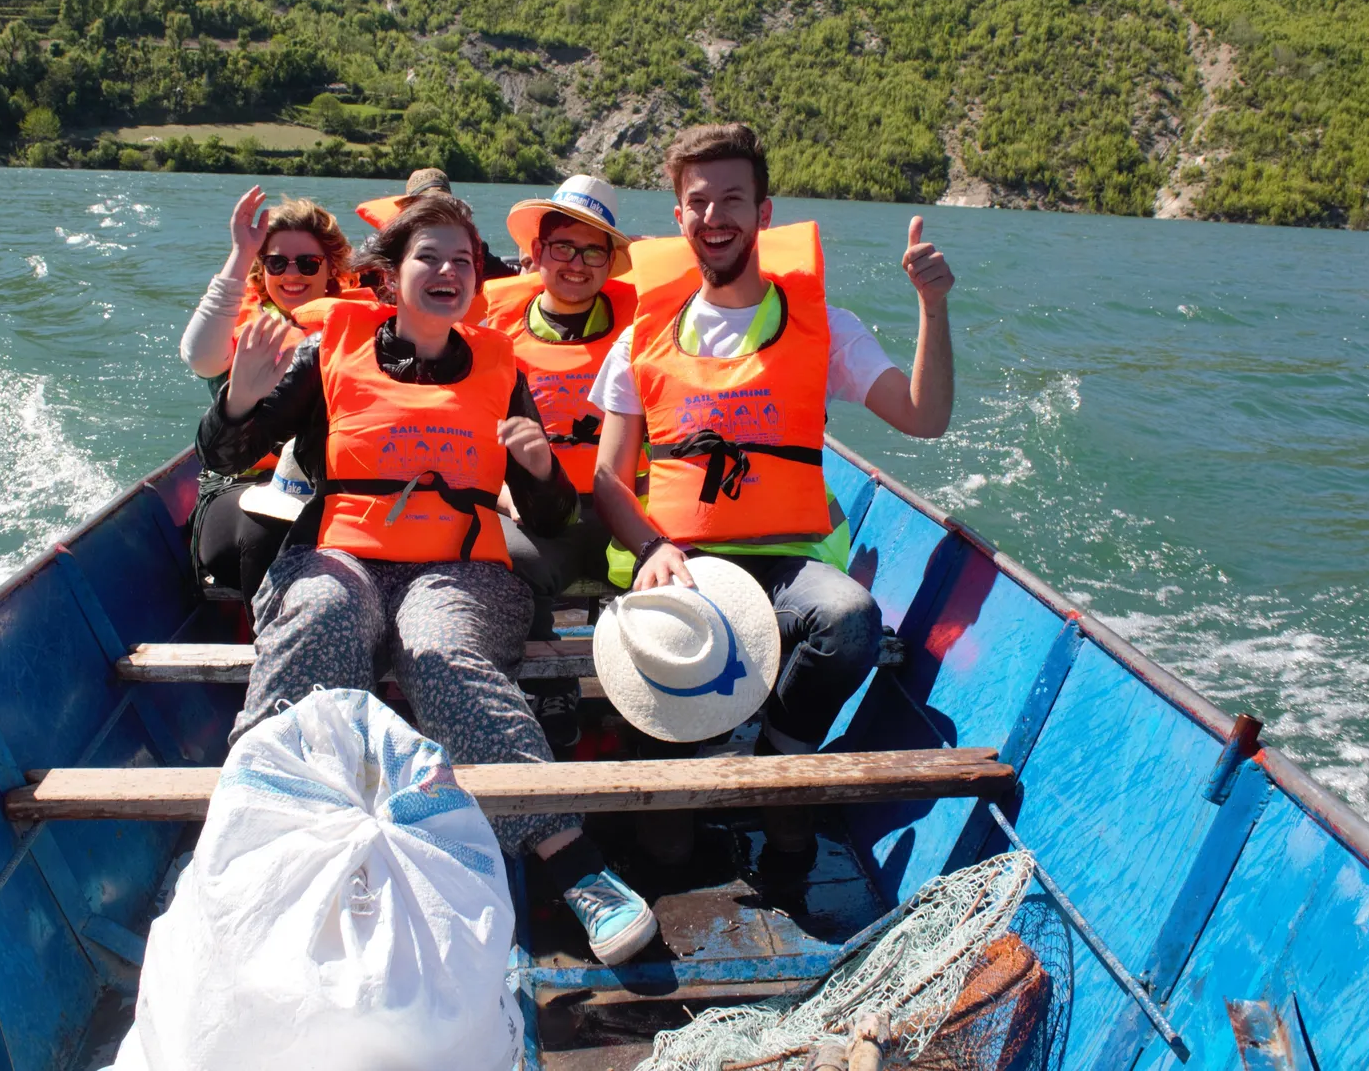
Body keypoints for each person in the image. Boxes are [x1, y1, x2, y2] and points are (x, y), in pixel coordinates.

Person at [196, 194, 660, 966]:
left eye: (462, 262)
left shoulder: (500, 370)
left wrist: (543, 470)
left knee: (437, 647)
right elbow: (221, 451)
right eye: (429, 258)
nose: (448, 272)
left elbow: (545, 518)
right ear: (390, 276)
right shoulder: (330, 351)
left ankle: (570, 857)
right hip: (341, 556)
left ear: (478, 281)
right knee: (317, 610)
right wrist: (240, 397)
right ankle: (260, 832)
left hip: (460, 570)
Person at [590, 122, 956, 864]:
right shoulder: (641, 336)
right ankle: (699, 771)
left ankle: (773, 758)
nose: (714, 217)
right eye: (699, 202)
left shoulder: (826, 328)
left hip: (788, 563)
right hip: (682, 564)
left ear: (763, 214)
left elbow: (925, 418)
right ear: (679, 217)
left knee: (850, 616)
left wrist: (932, 306)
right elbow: (607, 477)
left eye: (733, 199)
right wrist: (652, 546)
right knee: (664, 845)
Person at [483, 175, 636, 747]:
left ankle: (664, 698)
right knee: (502, 553)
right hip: (541, 516)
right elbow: (472, 436)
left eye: (593, 249)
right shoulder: (492, 331)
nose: (577, 262)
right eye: (562, 247)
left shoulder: (648, 325)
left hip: (629, 507)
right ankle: (550, 683)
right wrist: (505, 499)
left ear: (611, 261)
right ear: (535, 254)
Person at [177, 187, 361, 605]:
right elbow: (199, 356)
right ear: (263, 270)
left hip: (333, 488)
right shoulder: (243, 333)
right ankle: (271, 654)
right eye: (276, 262)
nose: (291, 273)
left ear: (330, 268)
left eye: (308, 263)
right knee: (268, 528)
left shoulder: (361, 332)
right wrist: (243, 252)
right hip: (239, 486)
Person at [357, 168, 519, 281]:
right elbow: (352, 274)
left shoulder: (472, 248)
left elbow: (508, 274)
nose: (434, 211)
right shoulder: (380, 245)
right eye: (426, 205)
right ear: (410, 210)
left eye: (440, 204)